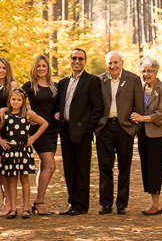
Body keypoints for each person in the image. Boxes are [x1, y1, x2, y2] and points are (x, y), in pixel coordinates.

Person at [95, 50, 144, 215]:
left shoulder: (133, 79)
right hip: (105, 128)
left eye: (116, 62)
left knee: (124, 168)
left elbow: (139, 107)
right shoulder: (99, 80)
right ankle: (105, 204)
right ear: (106, 64)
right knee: (105, 167)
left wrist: (134, 129)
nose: (113, 66)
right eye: (110, 63)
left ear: (122, 62)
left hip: (125, 128)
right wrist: (97, 128)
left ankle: (122, 204)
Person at [56, 48, 104, 215]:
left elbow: (97, 108)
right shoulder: (62, 83)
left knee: (82, 169)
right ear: (70, 60)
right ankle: (73, 203)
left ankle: (82, 205)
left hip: (82, 132)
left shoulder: (92, 81)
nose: (77, 61)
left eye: (80, 59)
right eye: (74, 58)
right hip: (66, 131)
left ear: (85, 61)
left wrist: (87, 128)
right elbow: (60, 105)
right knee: (69, 169)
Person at [0, 88, 48, 219]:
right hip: (10, 151)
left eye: (19, 100)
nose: (16, 102)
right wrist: (0, 140)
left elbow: (44, 123)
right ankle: (13, 208)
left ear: (23, 101)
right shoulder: (6, 115)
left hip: (24, 150)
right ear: (9, 100)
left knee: (24, 179)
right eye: (13, 99)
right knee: (12, 180)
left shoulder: (28, 113)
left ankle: (26, 208)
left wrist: (33, 138)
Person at [130, 55, 162, 216]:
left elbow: (161, 115)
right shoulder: (139, 89)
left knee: (155, 167)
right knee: (146, 167)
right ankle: (153, 200)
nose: (146, 74)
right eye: (143, 71)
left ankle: (156, 203)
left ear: (156, 71)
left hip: (158, 134)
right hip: (143, 134)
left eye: (150, 71)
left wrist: (141, 118)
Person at [22, 54, 59, 216]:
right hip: (38, 131)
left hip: (52, 131)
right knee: (51, 166)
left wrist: (58, 112)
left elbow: (60, 104)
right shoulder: (29, 86)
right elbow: (14, 101)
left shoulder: (55, 86)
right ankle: (39, 202)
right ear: (34, 68)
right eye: (38, 66)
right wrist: (27, 116)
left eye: (44, 66)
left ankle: (38, 199)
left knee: (44, 167)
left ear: (48, 68)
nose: (41, 69)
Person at [0, 57, 21, 215]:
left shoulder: (13, 85)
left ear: (7, 70)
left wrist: (3, 109)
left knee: (5, 168)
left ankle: (9, 204)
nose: (0, 70)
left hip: (7, 130)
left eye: (3, 68)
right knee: (0, 168)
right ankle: (6, 202)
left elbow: (19, 104)